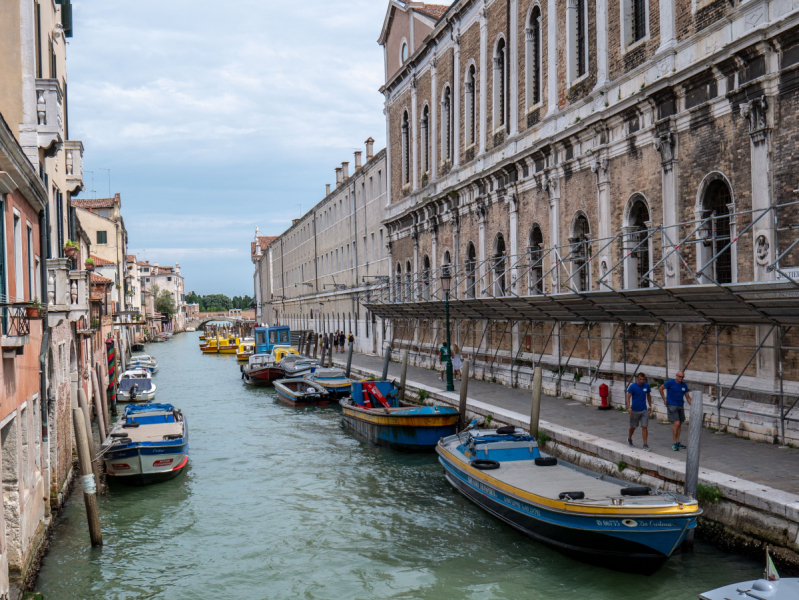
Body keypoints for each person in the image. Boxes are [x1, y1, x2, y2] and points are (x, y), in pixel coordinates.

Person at [659, 370, 693, 451]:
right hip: (672, 405)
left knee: (680, 424)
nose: (681, 378)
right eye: (680, 377)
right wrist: (664, 399)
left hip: (680, 405)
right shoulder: (670, 382)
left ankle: (677, 442)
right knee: (676, 424)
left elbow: (687, 397)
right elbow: (661, 388)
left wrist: (694, 405)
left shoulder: (684, 385)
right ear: (676, 376)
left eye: (682, 377)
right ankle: (674, 443)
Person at [626, 372, 652, 450]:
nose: (641, 381)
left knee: (644, 426)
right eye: (640, 379)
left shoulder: (646, 385)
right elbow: (628, 397)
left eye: (643, 379)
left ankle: (645, 444)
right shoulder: (633, 386)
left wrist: (650, 406)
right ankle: (629, 438)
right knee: (633, 426)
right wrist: (629, 407)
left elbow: (648, 395)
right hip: (635, 410)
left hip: (644, 409)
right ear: (638, 378)